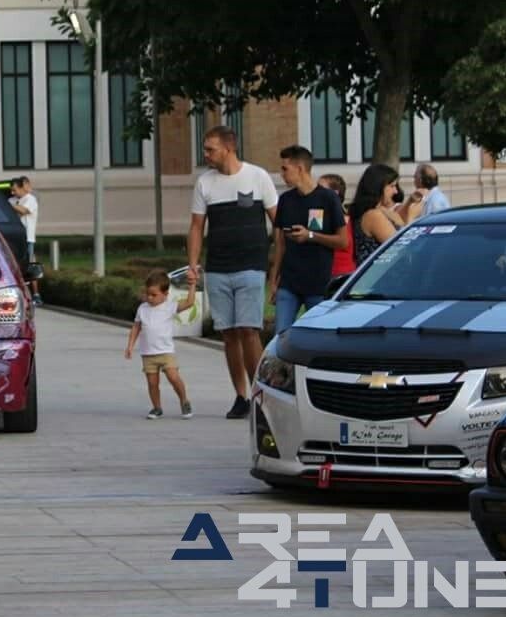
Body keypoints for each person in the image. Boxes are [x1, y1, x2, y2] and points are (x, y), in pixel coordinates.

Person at [187, 125, 278, 420]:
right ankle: (240, 395)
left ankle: (259, 393)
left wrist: (277, 261)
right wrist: (193, 264)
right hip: (218, 267)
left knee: (249, 330)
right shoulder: (205, 183)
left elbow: (278, 221)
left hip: (252, 265)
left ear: (228, 148)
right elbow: (197, 226)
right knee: (228, 333)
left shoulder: (257, 176)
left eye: (210, 149)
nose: (206, 154)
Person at [270, 146, 348, 334]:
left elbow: (343, 241)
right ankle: (281, 365)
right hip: (289, 283)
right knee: (280, 335)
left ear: (300, 168)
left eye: (285, 169)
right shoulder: (286, 200)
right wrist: (273, 280)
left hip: (318, 283)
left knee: (317, 336)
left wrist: (311, 235)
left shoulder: (328, 198)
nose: (282, 174)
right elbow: (280, 243)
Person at [124, 270, 194, 419]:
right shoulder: (142, 308)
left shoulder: (170, 306)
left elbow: (189, 303)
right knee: (152, 382)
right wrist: (130, 346)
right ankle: (157, 408)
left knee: (173, 377)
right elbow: (136, 327)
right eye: (148, 294)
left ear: (165, 294)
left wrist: (192, 285)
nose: (150, 298)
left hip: (166, 352)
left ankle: (184, 400)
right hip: (148, 353)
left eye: (154, 295)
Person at [350, 163, 404, 266]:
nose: (396, 191)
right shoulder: (373, 215)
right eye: (392, 186)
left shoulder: (379, 211)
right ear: (378, 186)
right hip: (380, 276)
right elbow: (400, 246)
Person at [9, 176, 41, 303]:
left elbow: (23, 211)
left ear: (22, 188)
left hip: (27, 238)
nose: (13, 193)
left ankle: (36, 295)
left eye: (15, 190)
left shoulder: (30, 199)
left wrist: (9, 205)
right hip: (14, 237)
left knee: (29, 266)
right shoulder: (11, 200)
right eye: (11, 191)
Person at [318, 174, 356, 277]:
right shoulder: (316, 214)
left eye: (320, 189)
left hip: (342, 274)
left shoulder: (347, 217)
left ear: (334, 193)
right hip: (320, 273)